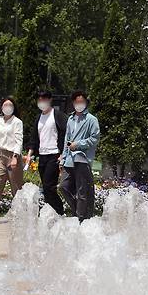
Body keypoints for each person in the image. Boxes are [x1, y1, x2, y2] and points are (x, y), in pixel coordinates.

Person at [24, 91, 68, 216]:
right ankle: (51, 212)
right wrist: (29, 154)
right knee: (45, 186)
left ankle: (59, 211)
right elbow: (34, 138)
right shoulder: (39, 117)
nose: (41, 102)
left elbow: (65, 134)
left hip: (54, 155)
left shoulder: (57, 115)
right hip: (42, 156)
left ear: (50, 100)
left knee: (49, 186)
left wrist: (62, 153)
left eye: (44, 99)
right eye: (39, 100)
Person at [60, 91, 100, 222]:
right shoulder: (70, 119)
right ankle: (78, 210)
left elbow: (94, 139)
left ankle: (81, 219)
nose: (79, 104)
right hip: (69, 160)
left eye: (81, 102)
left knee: (82, 191)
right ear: (73, 103)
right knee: (63, 187)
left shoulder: (91, 120)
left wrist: (78, 144)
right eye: (77, 102)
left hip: (82, 159)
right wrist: (63, 158)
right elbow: (67, 139)